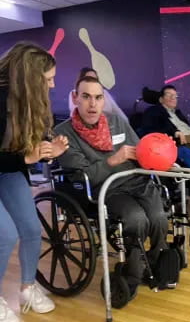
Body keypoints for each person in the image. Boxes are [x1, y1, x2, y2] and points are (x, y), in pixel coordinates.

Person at [56, 76, 168, 299]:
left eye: (98, 97)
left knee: (159, 217)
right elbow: (83, 176)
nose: (92, 104)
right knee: (137, 219)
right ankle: (134, 272)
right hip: (106, 189)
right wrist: (112, 161)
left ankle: (155, 264)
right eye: (86, 97)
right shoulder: (64, 133)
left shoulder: (116, 121)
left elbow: (140, 151)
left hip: (136, 181)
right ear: (75, 98)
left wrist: (161, 156)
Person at [0, 42, 69, 322]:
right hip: (7, 167)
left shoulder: (29, 102)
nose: (53, 85)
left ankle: (28, 287)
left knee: (30, 228)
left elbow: (24, 152)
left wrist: (48, 150)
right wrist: (26, 157)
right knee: (5, 235)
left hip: (8, 170)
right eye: (48, 79)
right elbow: (19, 155)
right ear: (30, 78)